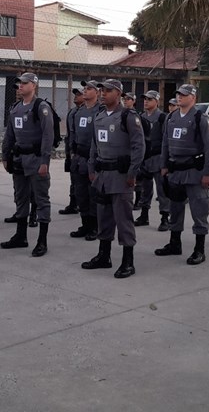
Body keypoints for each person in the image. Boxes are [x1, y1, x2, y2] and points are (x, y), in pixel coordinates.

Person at [82, 78, 145, 279]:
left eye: (108, 90)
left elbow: (138, 146)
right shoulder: (99, 116)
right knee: (104, 217)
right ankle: (104, 255)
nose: (103, 93)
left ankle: (128, 261)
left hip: (121, 176)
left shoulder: (128, 116)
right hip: (102, 175)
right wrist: (92, 167)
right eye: (102, 90)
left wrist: (132, 172)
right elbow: (94, 145)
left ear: (118, 94)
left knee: (123, 218)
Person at [156, 84, 209, 265]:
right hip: (175, 172)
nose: (179, 97)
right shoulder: (171, 117)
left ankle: (200, 249)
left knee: (199, 209)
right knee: (175, 209)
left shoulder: (201, 119)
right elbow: (165, 144)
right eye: (178, 94)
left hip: (194, 172)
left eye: (184, 95)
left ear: (193, 98)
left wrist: (207, 173)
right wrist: (164, 165)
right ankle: (175, 243)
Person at [0, 72, 54, 257]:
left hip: (36, 159)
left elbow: (48, 135)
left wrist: (45, 161)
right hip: (18, 159)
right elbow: (9, 134)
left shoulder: (41, 107)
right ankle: (20, 236)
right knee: (20, 196)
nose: (20, 86)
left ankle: (42, 240)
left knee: (41, 199)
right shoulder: (15, 108)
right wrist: (5, 155)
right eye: (18, 83)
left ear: (34, 85)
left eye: (24, 83)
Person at [68, 80, 102, 240]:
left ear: (97, 92)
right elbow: (73, 134)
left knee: (93, 194)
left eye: (89, 89)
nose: (85, 91)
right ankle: (85, 224)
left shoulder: (100, 111)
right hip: (79, 158)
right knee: (80, 193)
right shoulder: (79, 112)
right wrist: (72, 153)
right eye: (85, 88)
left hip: (93, 158)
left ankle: (95, 227)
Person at [134, 90, 170, 230]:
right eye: (145, 99)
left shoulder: (162, 117)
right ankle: (144, 215)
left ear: (156, 101)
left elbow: (166, 140)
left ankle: (165, 217)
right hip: (144, 158)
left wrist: (165, 161)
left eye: (149, 99)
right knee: (145, 189)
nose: (146, 101)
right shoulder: (141, 117)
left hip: (158, 157)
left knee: (162, 190)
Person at [59, 88, 85, 215]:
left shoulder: (88, 112)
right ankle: (73, 204)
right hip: (72, 150)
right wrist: (68, 151)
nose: (76, 96)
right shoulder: (72, 112)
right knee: (73, 178)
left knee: (82, 181)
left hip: (82, 152)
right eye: (75, 94)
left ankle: (83, 205)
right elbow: (70, 133)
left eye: (79, 94)